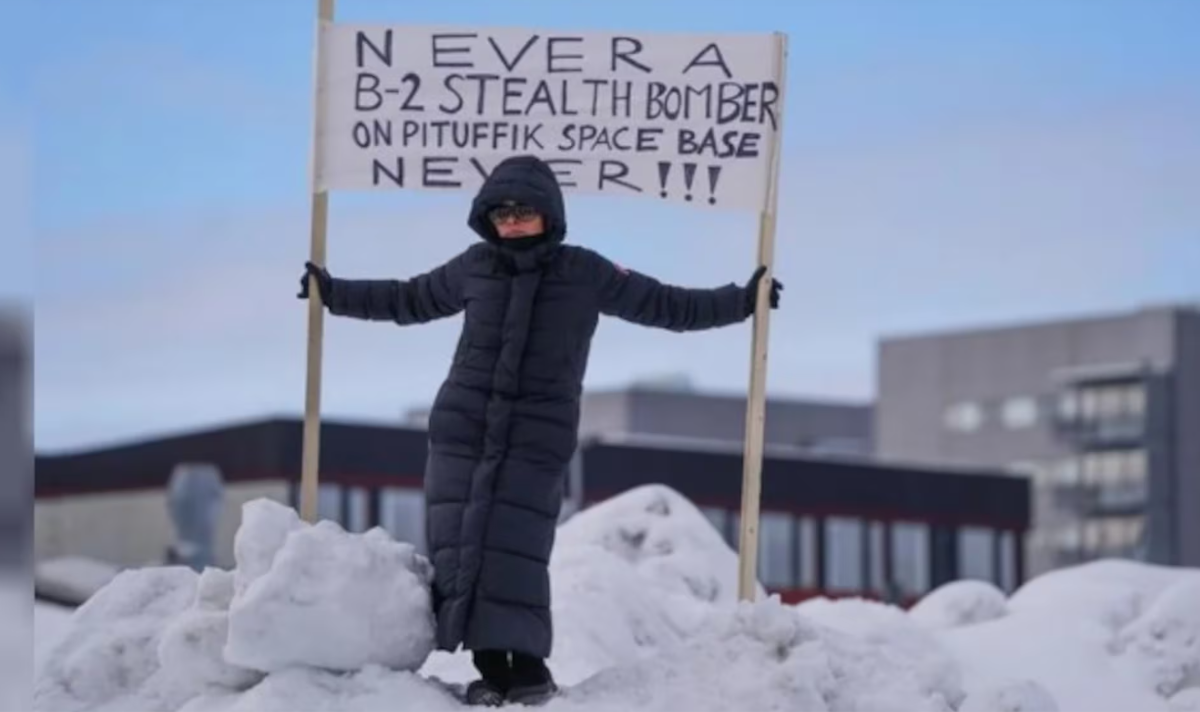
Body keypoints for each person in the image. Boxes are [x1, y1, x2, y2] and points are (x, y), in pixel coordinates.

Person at [297, 154, 782, 706]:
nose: (511, 222)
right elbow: (408, 298)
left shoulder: (584, 272)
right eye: (501, 213)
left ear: (549, 214)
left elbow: (665, 304)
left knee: (517, 548)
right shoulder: (473, 267)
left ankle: (525, 670)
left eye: (523, 211)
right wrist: (332, 293)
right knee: (461, 549)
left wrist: (743, 302)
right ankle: (488, 667)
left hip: (535, 433)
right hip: (464, 429)